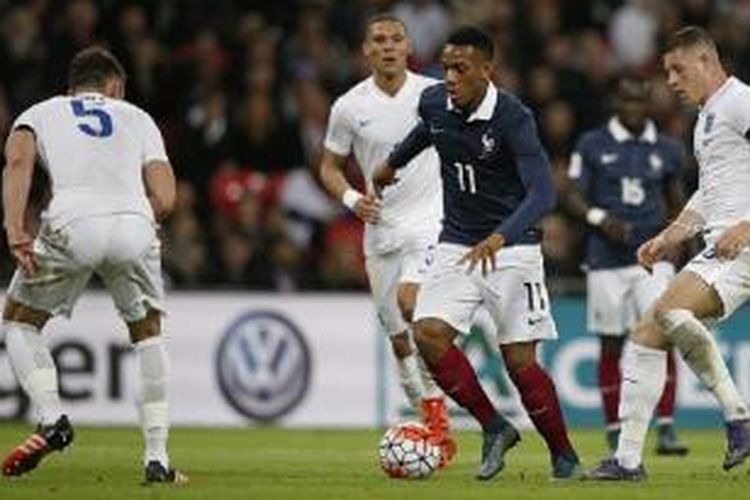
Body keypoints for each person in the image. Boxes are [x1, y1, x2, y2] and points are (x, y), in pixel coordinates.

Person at [373, 26, 580, 481]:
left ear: (487, 71)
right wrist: (392, 164)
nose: (449, 76)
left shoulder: (513, 117)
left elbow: (543, 192)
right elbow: (426, 132)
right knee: (427, 333)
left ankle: (563, 455)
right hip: (457, 242)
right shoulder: (434, 102)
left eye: (460, 68)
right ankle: (494, 426)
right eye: (445, 66)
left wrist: (501, 236)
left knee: (519, 362)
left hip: (514, 248)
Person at [0, 47, 185, 484]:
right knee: (148, 335)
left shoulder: (39, 113)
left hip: (73, 220)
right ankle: (156, 459)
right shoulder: (137, 117)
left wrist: (14, 229)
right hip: (135, 223)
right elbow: (167, 193)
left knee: (19, 324)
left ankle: (52, 420)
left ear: (71, 88)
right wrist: (144, 220)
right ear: (115, 87)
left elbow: (18, 162)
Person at [588, 26, 750, 481]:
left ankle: (739, 417)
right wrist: (669, 237)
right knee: (646, 333)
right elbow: (709, 194)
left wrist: (746, 225)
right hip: (718, 245)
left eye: (678, 70)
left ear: (705, 60)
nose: (672, 82)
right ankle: (627, 460)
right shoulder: (707, 119)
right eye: (667, 73)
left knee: (666, 313)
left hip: (742, 245)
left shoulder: (740, 102)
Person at [318, 14, 455, 464]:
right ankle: (430, 414)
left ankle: (439, 427)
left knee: (414, 308)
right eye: (379, 40)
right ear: (366, 50)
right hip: (380, 229)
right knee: (399, 341)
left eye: (396, 38)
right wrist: (352, 198)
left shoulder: (432, 95)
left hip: (430, 222)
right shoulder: (349, 106)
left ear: (409, 45)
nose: (389, 46)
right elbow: (329, 167)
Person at [565, 76, 690, 456]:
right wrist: (600, 219)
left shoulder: (667, 148)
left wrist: (677, 241)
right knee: (610, 345)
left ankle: (666, 427)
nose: (634, 107)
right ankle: (613, 428)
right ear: (615, 103)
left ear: (648, 103)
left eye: (640, 100)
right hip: (605, 259)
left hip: (652, 259)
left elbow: (676, 200)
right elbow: (572, 194)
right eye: (627, 100)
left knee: (662, 336)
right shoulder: (591, 144)